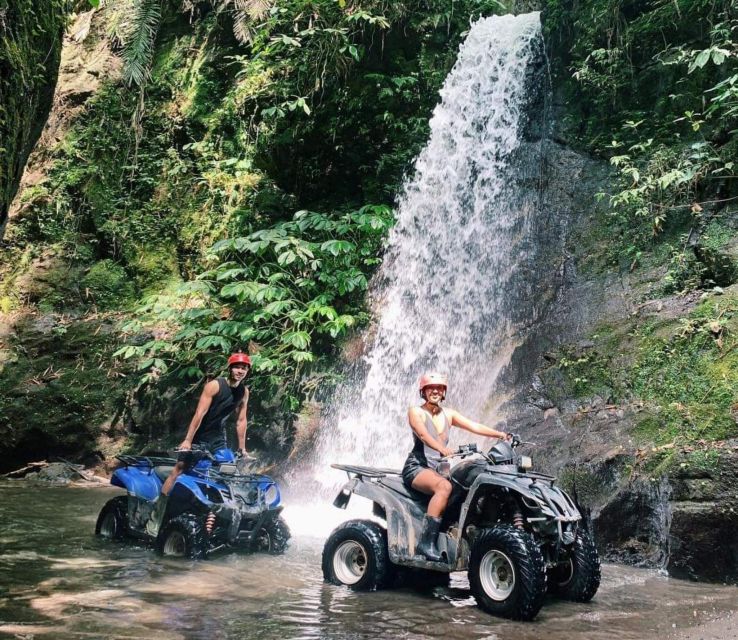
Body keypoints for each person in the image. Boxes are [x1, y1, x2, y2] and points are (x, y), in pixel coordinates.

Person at [402, 372, 510, 561]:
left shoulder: (449, 414)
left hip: (437, 469)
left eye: (439, 388)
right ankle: (425, 544)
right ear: (423, 391)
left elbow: (474, 426)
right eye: (430, 388)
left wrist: (499, 434)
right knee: (444, 487)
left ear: (444, 392)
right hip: (417, 467)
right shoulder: (416, 411)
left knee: (468, 481)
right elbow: (423, 435)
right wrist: (441, 448)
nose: (435, 391)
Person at [145, 352, 251, 537]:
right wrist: (187, 440)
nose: (240, 371)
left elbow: (241, 421)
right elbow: (199, 414)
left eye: (244, 368)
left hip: (218, 437)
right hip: (200, 434)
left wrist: (242, 449)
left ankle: (219, 523)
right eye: (237, 367)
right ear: (230, 368)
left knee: (227, 472)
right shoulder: (214, 385)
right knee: (179, 469)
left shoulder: (244, 392)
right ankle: (155, 519)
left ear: (247, 371)